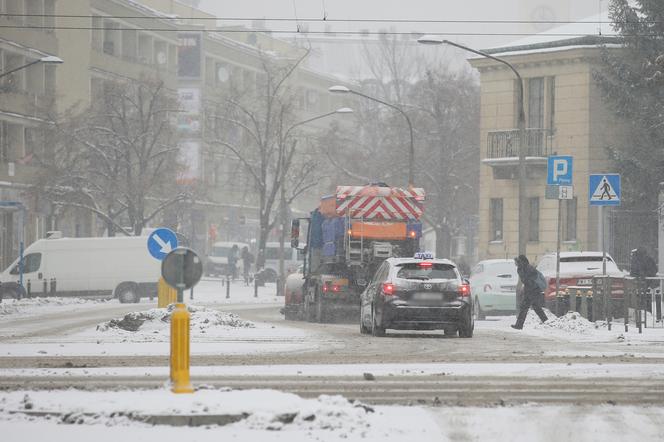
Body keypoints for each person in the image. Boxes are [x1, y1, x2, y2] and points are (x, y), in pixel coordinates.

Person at [511, 254, 548, 330]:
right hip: (530, 290)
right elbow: (525, 280)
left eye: (516, 261)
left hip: (533, 290)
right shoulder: (522, 268)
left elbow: (529, 280)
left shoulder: (527, 268)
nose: (515, 263)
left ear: (520, 261)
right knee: (534, 307)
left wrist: (529, 288)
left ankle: (519, 325)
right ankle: (546, 321)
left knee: (528, 307)